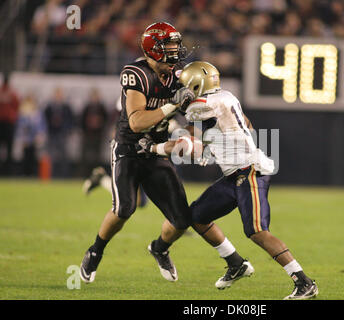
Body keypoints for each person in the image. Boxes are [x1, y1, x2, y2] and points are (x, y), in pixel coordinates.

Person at [80, 23, 251, 287]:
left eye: (175, 46)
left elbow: (197, 113)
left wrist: (205, 135)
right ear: (153, 49)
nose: (175, 52)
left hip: (156, 151)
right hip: (128, 149)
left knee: (182, 219)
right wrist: (173, 104)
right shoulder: (136, 73)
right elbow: (136, 122)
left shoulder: (178, 77)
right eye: (169, 47)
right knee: (125, 208)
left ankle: (159, 248)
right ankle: (95, 251)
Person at [140, 61, 318, 300]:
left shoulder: (198, 106)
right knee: (198, 217)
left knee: (256, 231)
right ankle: (236, 264)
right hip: (234, 173)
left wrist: (154, 146)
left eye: (184, 84)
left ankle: (303, 282)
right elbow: (247, 124)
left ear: (195, 85)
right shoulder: (226, 97)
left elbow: (187, 144)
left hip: (249, 171)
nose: (181, 88)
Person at [44, 87, 74, 178]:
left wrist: (67, 130)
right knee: (52, 156)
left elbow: (71, 120)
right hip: (52, 133)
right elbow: (45, 120)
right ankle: (52, 175)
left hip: (62, 133)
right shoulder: (49, 107)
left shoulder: (66, 107)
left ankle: (64, 175)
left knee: (63, 156)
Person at [80, 88, 108, 178]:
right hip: (88, 135)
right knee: (85, 156)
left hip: (98, 135)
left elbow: (106, 120)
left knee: (97, 157)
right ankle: (85, 174)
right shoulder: (87, 107)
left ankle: (97, 175)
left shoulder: (101, 108)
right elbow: (81, 120)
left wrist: (101, 127)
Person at [0, 75, 20, 175]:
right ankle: (8, 172)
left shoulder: (7, 92)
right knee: (9, 148)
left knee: (7, 148)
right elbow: (17, 106)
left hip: (5, 123)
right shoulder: (12, 93)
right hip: (8, 124)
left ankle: (6, 171)